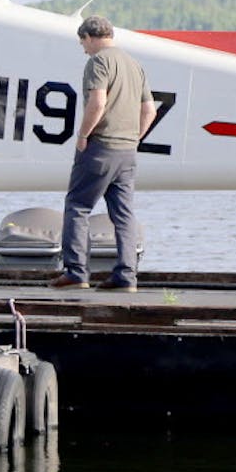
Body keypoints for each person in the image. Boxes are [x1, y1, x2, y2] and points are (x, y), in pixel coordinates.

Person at [50, 16, 154, 292]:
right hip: (128, 152)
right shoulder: (134, 64)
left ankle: (76, 273)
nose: (83, 48)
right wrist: (134, 138)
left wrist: (83, 135)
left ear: (89, 37)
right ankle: (126, 277)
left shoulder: (98, 61)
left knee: (77, 206)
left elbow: (97, 102)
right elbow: (150, 110)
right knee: (124, 214)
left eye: (82, 42)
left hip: (101, 148)